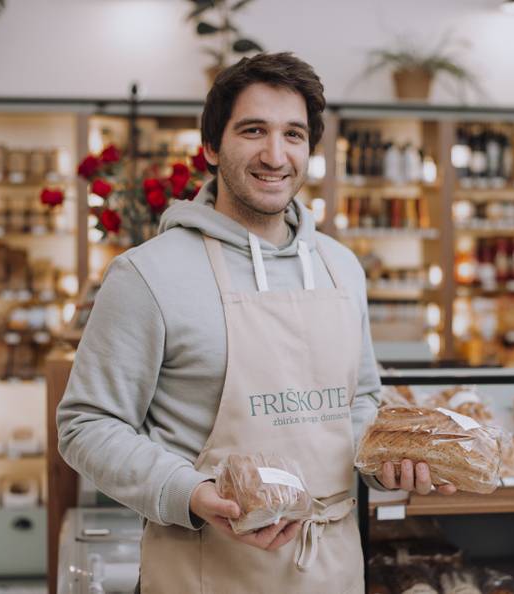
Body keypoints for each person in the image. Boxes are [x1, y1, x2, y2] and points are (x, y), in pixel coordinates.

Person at [56, 52, 454, 594]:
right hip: (204, 569)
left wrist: (385, 461)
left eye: (293, 134)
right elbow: (87, 425)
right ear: (212, 147)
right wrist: (188, 491)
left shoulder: (340, 267)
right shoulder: (147, 274)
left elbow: (360, 400)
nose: (275, 154)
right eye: (253, 130)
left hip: (331, 567)